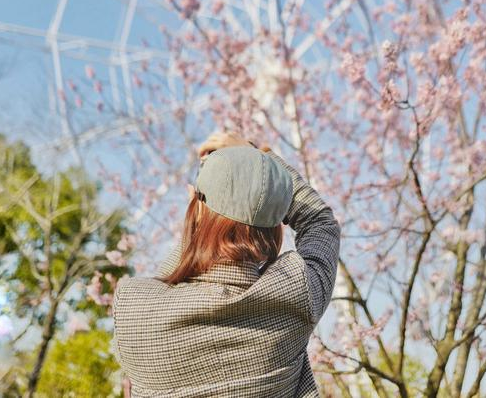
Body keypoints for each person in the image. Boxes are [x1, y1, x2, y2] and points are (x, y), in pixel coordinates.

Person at [112, 130, 341, 397]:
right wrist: (261, 161)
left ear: (196, 208)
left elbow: (167, 280)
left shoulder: (133, 308)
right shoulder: (294, 295)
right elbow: (320, 222)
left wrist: (196, 222)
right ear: (274, 228)